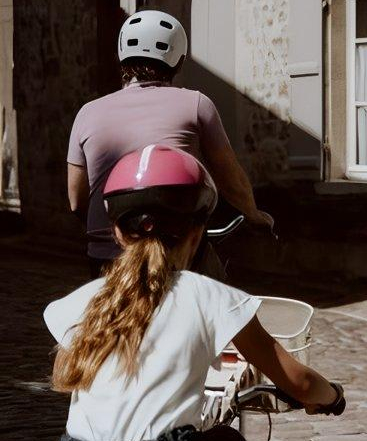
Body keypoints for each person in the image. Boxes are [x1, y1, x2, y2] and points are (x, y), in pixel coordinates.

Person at [45, 145, 344, 441]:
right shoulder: (211, 297)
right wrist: (332, 396)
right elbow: (300, 382)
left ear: (117, 232)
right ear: (197, 231)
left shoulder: (83, 302)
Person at [66, 9, 272, 276]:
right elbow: (230, 180)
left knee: (107, 316)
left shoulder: (87, 112)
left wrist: (109, 228)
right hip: (176, 252)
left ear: (121, 55)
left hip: (108, 255)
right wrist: (255, 216)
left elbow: (75, 200)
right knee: (216, 306)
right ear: (179, 60)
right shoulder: (197, 104)